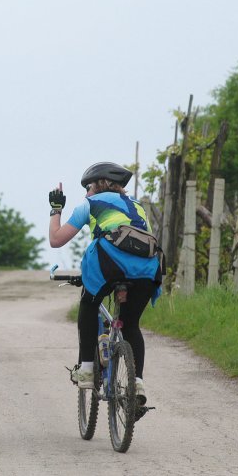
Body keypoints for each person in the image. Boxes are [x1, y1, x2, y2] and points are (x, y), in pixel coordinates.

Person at [48, 161, 162, 406]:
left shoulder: (90, 204)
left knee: (89, 304)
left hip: (111, 264)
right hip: (148, 270)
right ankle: (137, 383)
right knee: (131, 324)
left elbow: (56, 240)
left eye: (88, 187)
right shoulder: (138, 207)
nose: (86, 193)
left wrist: (56, 209)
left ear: (100, 185)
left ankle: (87, 368)